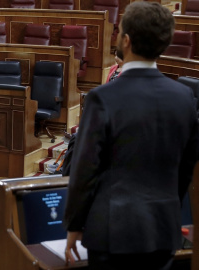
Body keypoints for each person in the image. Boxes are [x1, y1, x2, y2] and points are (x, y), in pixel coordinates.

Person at [63, 2, 199, 270]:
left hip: (112, 231)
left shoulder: (102, 97)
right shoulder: (184, 97)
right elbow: (186, 168)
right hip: (163, 229)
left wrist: (74, 225)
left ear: (126, 41)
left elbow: (85, 169)